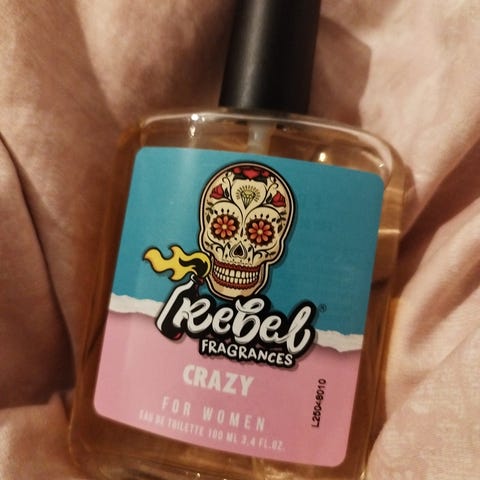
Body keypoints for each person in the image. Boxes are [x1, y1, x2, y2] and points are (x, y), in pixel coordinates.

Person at [1, 1, 479, 478]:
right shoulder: (159, 140)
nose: (240, 249)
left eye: (260, 232)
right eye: (226, 226)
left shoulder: (366, 166)